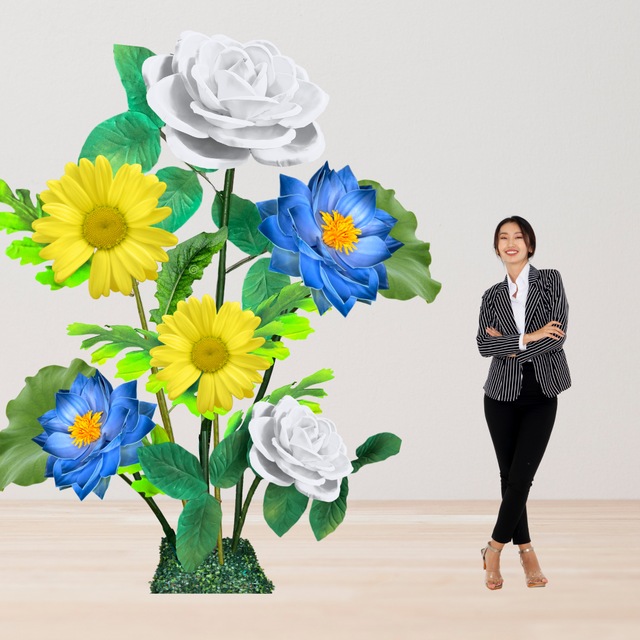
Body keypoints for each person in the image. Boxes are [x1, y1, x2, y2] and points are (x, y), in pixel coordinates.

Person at [476, 216, 571, 590]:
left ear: (530, 245)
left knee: (521, 478)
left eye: (519, 237)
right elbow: (484, 347)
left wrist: (510, 343)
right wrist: (529, 336)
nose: (511, 242)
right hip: (499, 396)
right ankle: (527, 548)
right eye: (503, 237)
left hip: (542, 393)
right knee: (510, 478)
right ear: (497, 247)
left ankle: (494, 549)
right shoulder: (491, 296)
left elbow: (557, 336)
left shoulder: (550, 280)